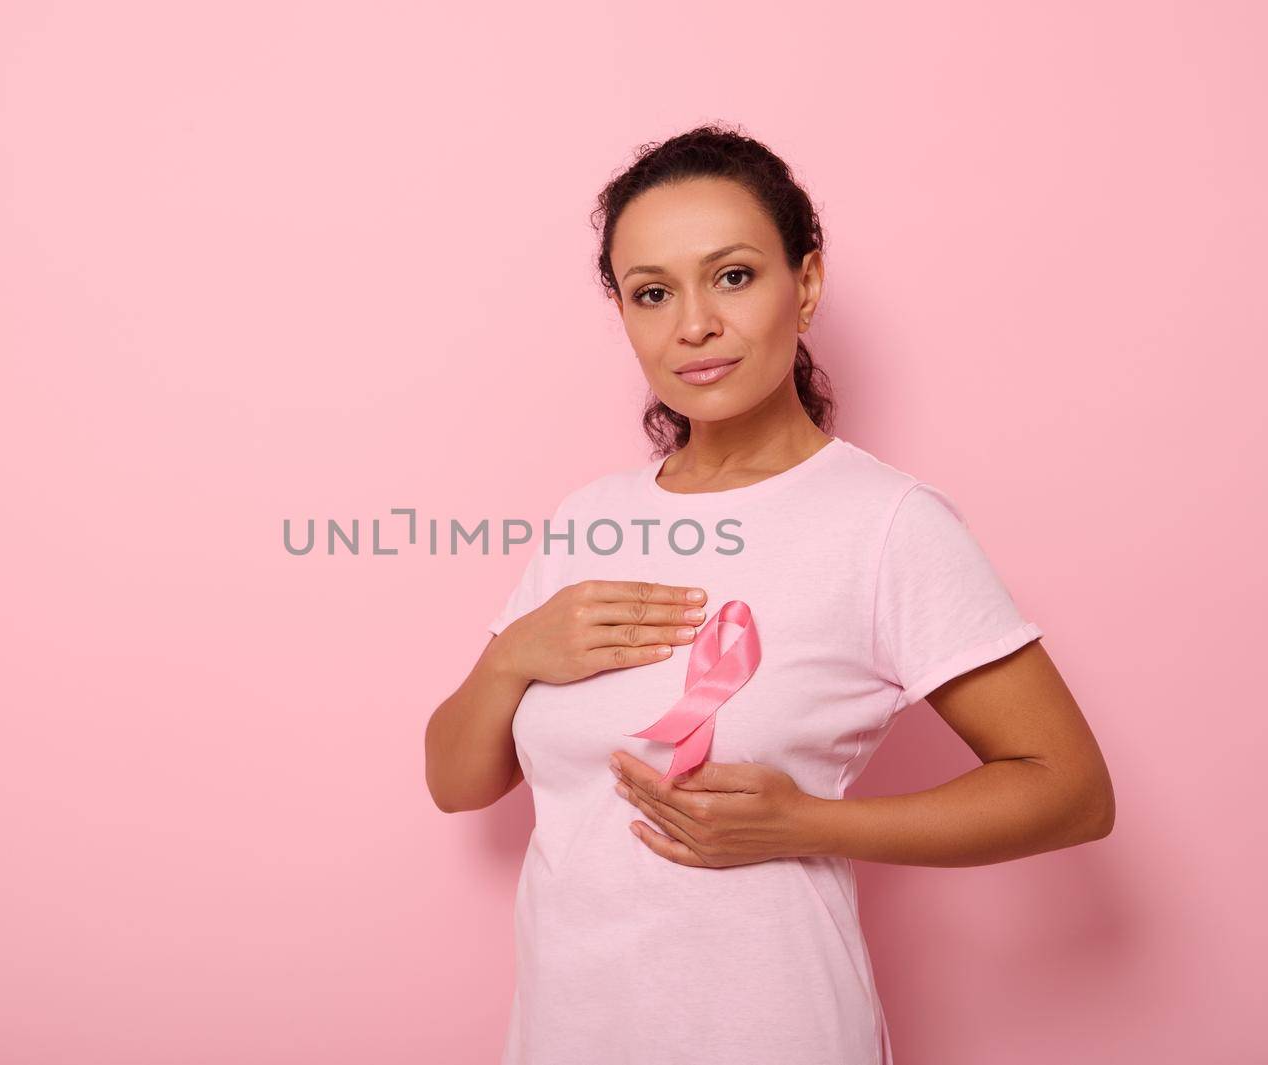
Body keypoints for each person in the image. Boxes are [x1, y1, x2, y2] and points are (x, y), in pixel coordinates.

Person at [423, 123, 1114, 1065]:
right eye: (652, 293)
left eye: (734, 275)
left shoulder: (887, 524)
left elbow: (1070, 792)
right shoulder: (590, 517)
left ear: (808, 283)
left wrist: (808, 825)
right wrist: (512, 654)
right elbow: (459, 782)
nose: (693, 324)